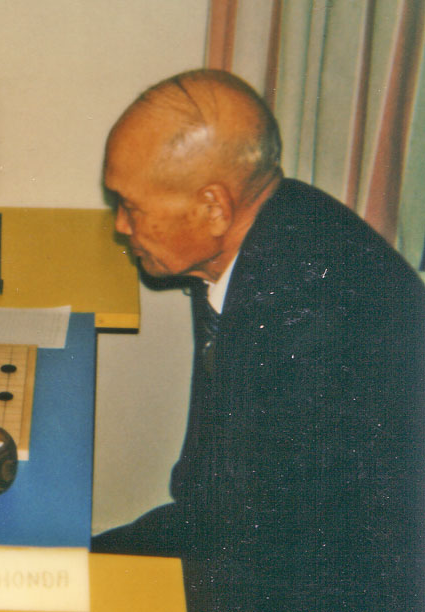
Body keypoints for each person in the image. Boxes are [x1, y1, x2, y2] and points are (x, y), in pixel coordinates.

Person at [90, 69, 424, 612]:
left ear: (213, 208)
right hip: (243, 542)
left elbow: (285, 561)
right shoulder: (255, 233)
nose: (121, 227)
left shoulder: (314, 325)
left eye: (132, 206)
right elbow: (219, 501)